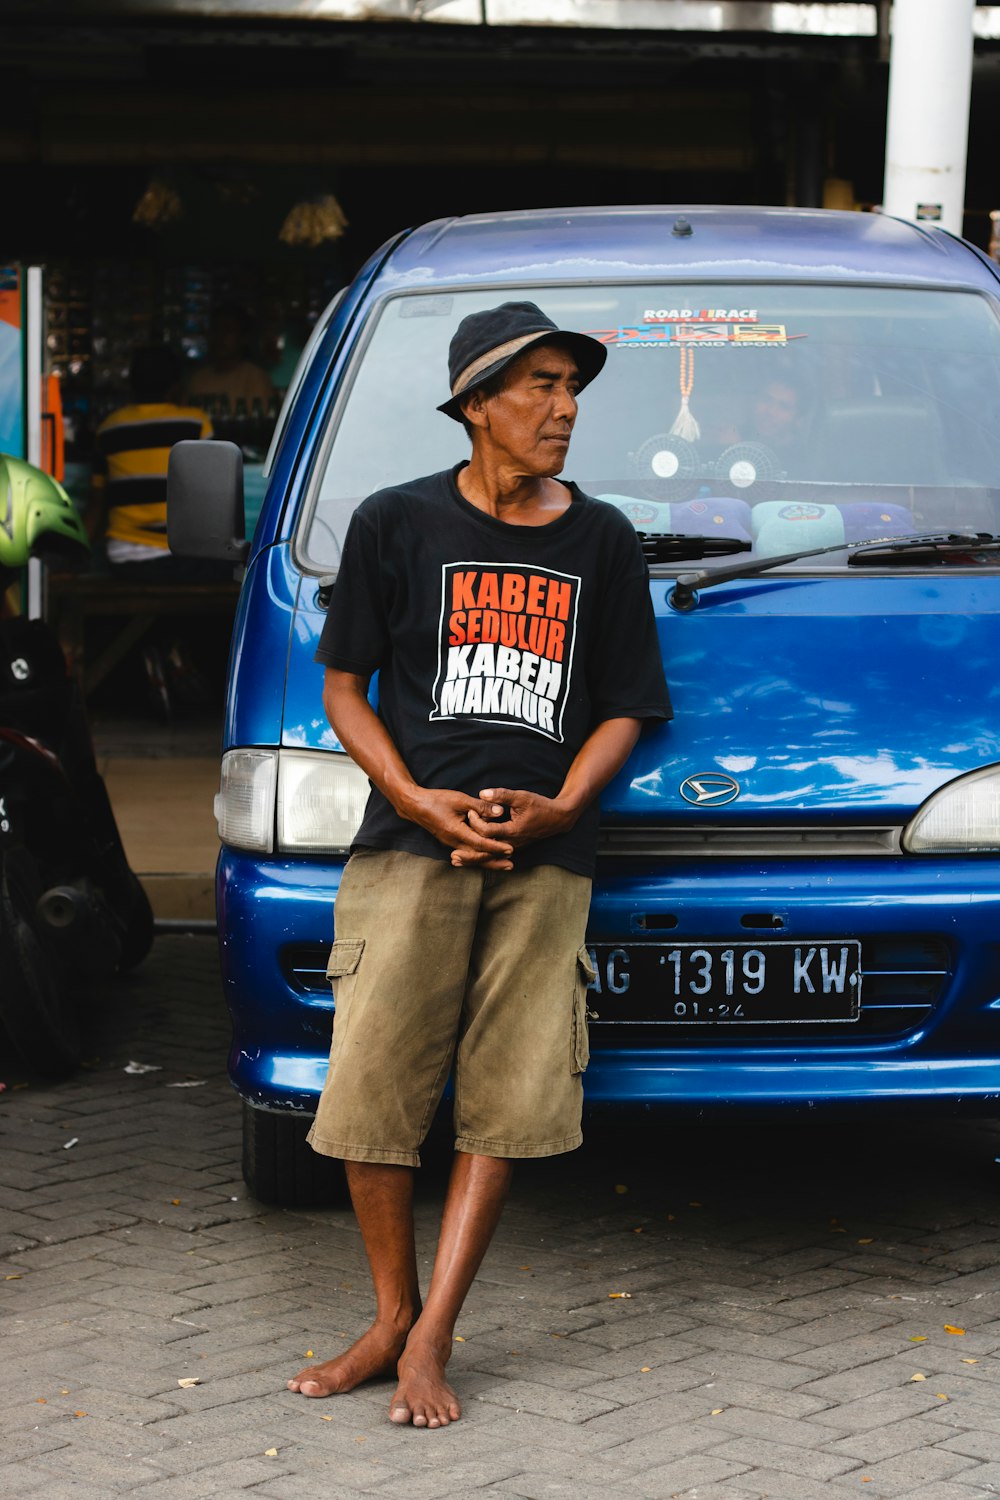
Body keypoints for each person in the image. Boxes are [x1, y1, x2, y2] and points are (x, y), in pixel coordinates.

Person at [286, 300, 671, 1429]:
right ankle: (387, 1318)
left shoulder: (598, 537)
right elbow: (344, 686)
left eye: (571, 390)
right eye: (541, 387)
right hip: (410, 847)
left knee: (508, 1101)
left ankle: (435, 1336)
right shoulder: (394, 523)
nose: (563, 409)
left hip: (544, 864)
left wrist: (562, 807)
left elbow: (628, 709)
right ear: (476, 404)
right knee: (370, 1095)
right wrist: (413, 797)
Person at [88, 344, 213, 572]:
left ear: (131, 385)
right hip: (183, 556)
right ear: (175, 386)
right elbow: (214, 497)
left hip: (123, 558)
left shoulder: (108, 429)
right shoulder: (196, 424)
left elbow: (97, 502)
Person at [185, 304, 273, 413]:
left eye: (227, 330)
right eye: (215, 329)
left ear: (243, 337)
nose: (219, 336)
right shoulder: (198, 379)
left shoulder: (255, 378)